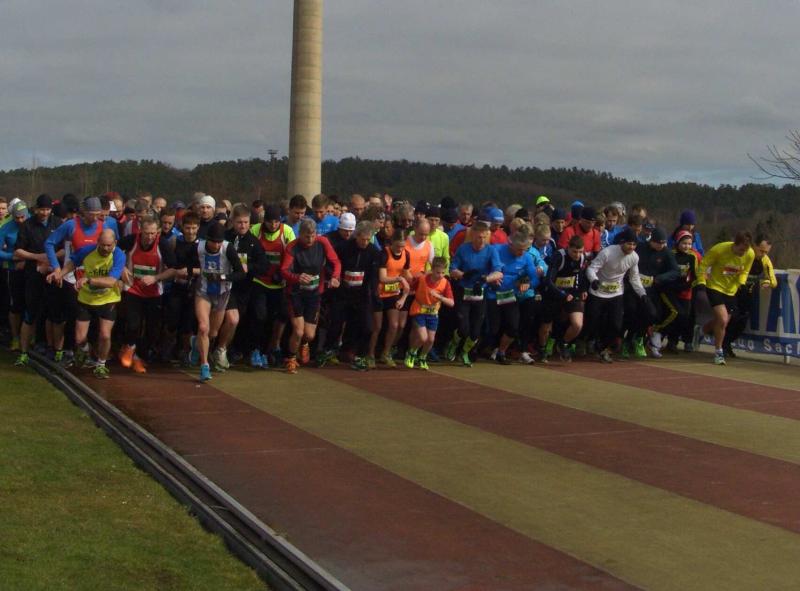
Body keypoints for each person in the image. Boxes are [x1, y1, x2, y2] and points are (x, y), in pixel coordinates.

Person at [47, 229, 125, 379]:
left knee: (105, 335)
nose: (106, 248)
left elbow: (111, 281)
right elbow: (72, 263)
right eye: (103, 245)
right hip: (86, 299)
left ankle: (101, 365)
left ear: (115, 243)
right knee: (79, 339)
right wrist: (59, 274)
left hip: (108, 299)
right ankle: (85, 351)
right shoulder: (86, 251)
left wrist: (88, 280)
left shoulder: (118, 255)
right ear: (97, 242)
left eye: (109, 245)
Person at [116, 217, 177, 373]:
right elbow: (113, 249)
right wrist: (121, 267)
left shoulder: (163, 244)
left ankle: (139, 356)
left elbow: (173, 269)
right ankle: (129, 347)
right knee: (133, 324)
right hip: (133, 289)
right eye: (146, 233)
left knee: (152, 329)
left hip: (154, 292)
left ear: (157, 232)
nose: (150, 237)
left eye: (153, 233)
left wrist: (155, 278)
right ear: (140, 231)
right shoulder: (131, 240)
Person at [280, 219, 341, 374]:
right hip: (295, 294)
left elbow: (336, 262)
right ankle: (291, 359)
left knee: (309, 334)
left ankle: (304, 344)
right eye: (307, 236)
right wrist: (297, 277)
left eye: (313, 235)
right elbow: (284, 270)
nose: (310, 239)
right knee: (298, 331)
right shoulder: (292, 247)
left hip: (314, 293)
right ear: (300, 234)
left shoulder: (323, 242)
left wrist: (335, 277)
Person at [188, 222, 246, 381]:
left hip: (222, 293)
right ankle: (204, 366)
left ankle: (196, 343)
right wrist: (192, 277)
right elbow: (189, 263)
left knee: (212, 333)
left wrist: (222, 277)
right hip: (203, 292)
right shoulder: (198, 247)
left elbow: (241, 273)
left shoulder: (228, 249)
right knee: (203, 327)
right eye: (213, 242)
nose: (216, 245)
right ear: (207, 239)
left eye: (219, 242)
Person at [445, 218, 503, 366]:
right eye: (478, 237)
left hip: (480, 292)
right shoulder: (463, 249)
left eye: (484, 237)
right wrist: (464, 275)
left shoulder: (491, 250)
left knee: (476, 331)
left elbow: (498, 272)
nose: (481, 240)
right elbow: (452, 269)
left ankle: (464, 352)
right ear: (473, 235)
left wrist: (486, 279)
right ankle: (453, 344)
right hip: (464, 291)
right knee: (463, 328)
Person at [323, 221, 380, 370]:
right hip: (342, 293)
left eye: (368, 239)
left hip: (362, 295)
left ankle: (359, 355)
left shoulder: (373, 252)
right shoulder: (343, 248)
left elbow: (374, 276)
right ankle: (328, 350)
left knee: (367, 327)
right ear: (356, 236)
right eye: (362, 239)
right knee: (336, 323)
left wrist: (372, 290)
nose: (365, 242)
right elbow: (332, 265)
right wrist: (336, 279)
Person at [13, 194, 63, 366]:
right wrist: (37, 257)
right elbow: (18, 251)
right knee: (30, 314)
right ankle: (23, 352)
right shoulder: (27, 225)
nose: (45, 213)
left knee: (56, 315)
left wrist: (50, 259)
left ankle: (58, 351)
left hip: (53, 274)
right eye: (42, 209)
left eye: (48, 209)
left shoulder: (58, 223)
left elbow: (65, 249)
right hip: (33, 275)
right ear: (35, 209)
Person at [585, 227, 647, 363]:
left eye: (634, 244)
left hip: (616, 293)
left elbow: (634, 277)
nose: (631, 247)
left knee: (616, 325)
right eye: (629, 244)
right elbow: (591, 268)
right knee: (592, 321)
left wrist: (642, 293)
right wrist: (594, 280)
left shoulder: (634, 257)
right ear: (622, 242)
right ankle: (589, 342)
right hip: (598, 292)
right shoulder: (607, 252)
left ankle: (604, 349)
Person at [695, 231, 755, 365]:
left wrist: (742, 283)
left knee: (723, 321)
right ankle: (718, 351)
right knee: (722, 319)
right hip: (715, 286)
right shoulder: (719, 249)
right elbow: (703, 265)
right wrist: (701, 282)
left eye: (745, 251)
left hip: (731, 290)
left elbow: (745, 271)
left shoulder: (750, 254)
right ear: (735, 244)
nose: (743, 253)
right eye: (741, 250)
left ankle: (701, 330)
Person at [249, 204, 296, 367]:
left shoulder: (287, 231)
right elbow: (249, 253)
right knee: (259, 316)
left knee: (276, 317)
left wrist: (283, 274)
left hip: (279, 284)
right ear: (264, 221)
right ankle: (255, 350)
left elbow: (293, 256)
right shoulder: (255, 230)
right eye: (270, 222)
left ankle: (268, 350)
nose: (273, 225)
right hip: (260, 281)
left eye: (276, 222)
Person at [624, 227, 679, 358]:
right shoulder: (640, 248)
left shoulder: (666, 252)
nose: (662, 246)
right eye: (659, 243)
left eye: (664, 243)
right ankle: (627, 340)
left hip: (651, 289)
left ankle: (639, 339)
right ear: (652, 241)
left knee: (651, 314)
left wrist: (659, 278)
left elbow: (675, 271)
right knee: (631, 311)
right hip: (634, 287)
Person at [487, 231, 540, 365]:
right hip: (492, 294)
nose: (521, 253)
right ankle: (483, 348)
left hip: (510, 295)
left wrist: (527, 284)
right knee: (493, 327)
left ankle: (501, 352)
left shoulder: (526, 257)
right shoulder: (496, 250)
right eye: (519, 249)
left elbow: (535, 278)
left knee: (513, 327)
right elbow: (483, 266)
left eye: (524, 249)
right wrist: (491, 277)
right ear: (510, 245)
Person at [722, 233, 777, 357]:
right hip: (733, 290)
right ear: (754, 246)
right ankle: (722, 344)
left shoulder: (765, 260)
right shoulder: (744, 254)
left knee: (742, 322)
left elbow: (773, 280)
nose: (763, 254)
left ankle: (727, 343)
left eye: (766, 252)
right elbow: (726, 270)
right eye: (761, 251)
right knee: (732, 317)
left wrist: (767, 282)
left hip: (747, 293)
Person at [540, 235, 587, 362]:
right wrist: (562, 294)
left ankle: (563, 343)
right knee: (546, 326)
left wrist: (583, 289)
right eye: (574, 252)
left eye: (580, 252)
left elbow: (581, 274)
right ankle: (542, 348)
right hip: (554, 294)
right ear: (568, 248)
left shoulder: (582, 258)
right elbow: (549, 281)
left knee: (577, 324)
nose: (577, 255)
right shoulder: (559, 257)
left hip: (572, 293)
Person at [403, 257, 454, 370]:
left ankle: (422, 357)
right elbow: (410, 289)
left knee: (430, 339)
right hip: (419, 310)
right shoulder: (422, 279)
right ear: (432, 269)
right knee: (423, 337)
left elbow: (451, 303)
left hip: (433, 313)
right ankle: (411, 353)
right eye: (437, 272)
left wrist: (439, 297)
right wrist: (402, 299)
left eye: (443, 273)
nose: (440, 275)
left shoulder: (445, 283)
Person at [371, 229, 412, 367]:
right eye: (398, 246)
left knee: (394, 325)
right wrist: (399, 279)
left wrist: (414, 279)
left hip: (393, 293)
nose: (400, 249)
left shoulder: (406, 254)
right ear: (392, 243)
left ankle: (386, 353)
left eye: (403, 246)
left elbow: (406, 274)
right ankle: (370, 354)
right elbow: (382, 278)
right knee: (377, 327)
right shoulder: (384, 253)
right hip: (379, 293)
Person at [661, 230, 702, 353]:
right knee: (671, 314)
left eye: (689, 244)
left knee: (683, 317)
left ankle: (673, 342)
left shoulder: (693, 256)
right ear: (678, 243)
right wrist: (671, 286)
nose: (686, 246)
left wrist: (688, 285)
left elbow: (695, 275)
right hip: (671, 290)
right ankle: (658, 336)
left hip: (685, 291)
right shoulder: (671, 254)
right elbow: (665, 272)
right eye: (684, 243)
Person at [0, 201, 29, 351]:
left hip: (32, 270)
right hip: (13, 271)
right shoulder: (6, 228)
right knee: (15, 305)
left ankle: (30, 336)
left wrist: (26, 260)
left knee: (31, 304)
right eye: (17, 218)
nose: (20, 220)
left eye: (23, 217)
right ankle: (15, 337)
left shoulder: (33, 224)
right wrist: (13, 257)